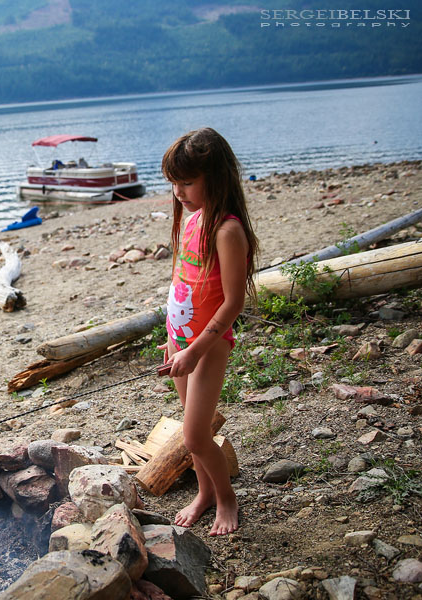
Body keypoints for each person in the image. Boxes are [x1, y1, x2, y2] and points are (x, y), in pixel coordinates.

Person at [160, 127, 259, 536]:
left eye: (187, 182)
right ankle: (203, 493)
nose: (179, 191)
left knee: (196, 437)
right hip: (182, 340)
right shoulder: (193, 217)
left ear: (214, 178)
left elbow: (233, 303)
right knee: (191, 433)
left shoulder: (227, 230)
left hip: (208, 346)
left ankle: (226, 497)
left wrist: (196, 350)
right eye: (174, 183)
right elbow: (181, 280)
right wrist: (172, 340)